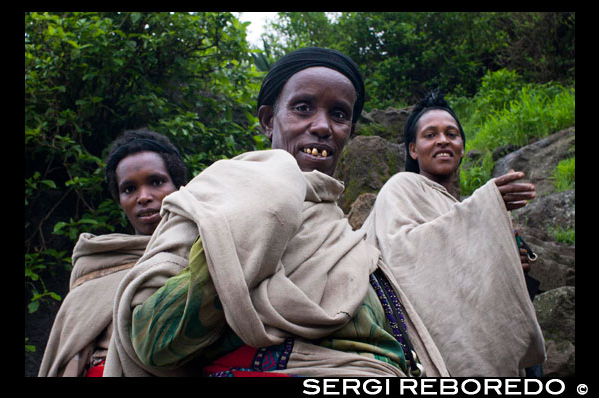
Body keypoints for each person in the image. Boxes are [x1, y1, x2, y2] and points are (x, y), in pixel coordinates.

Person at [104, 47, 449, 377]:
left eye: (339, 114)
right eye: (303, 108)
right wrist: (251, 227)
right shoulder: (213, 199)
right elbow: (153, 341)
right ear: (269, 120)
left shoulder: (350, 240)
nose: (323, 126)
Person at [360, 90, 546, 376]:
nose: (443, 140)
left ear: (461, 147)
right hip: (436, 346)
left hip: (484, 335)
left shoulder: (463, 207)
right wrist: (483, 208)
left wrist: (505, 260)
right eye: (430, 135)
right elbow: (402, 256)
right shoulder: (402, 187)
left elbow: (471, 280)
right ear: (413, 149)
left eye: (451, 134)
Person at [38, 128, 187, 377]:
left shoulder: (204, 249)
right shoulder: (97, 263)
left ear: (179, 187)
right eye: (129, 189)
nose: (143, 197)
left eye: (156, 182)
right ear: (119, 200)